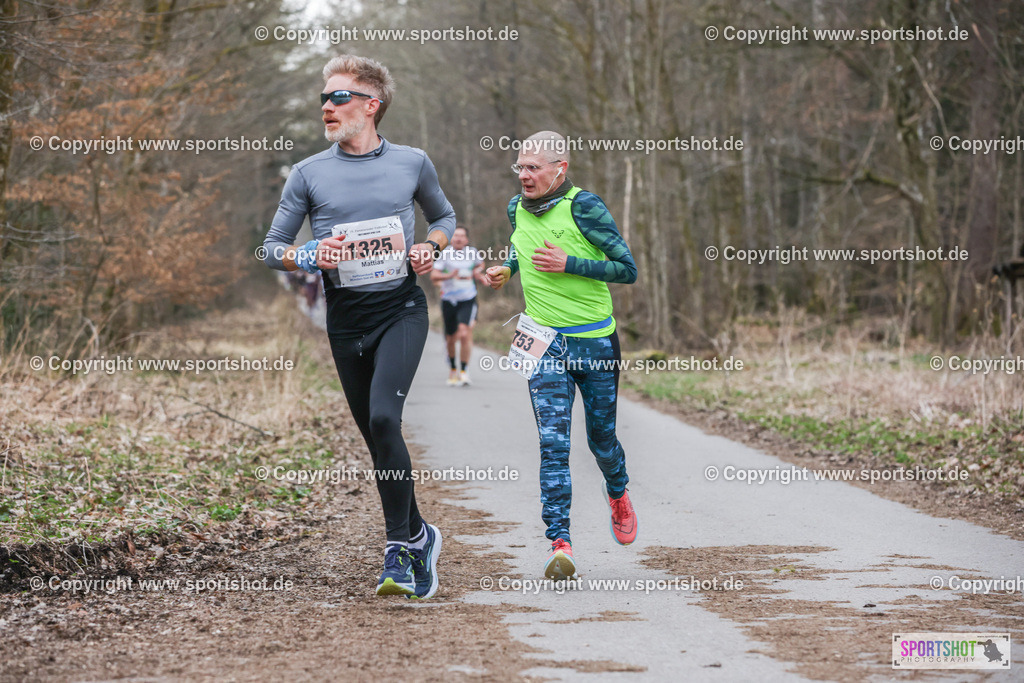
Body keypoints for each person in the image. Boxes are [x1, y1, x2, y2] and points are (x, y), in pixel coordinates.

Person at [262, 55, 454, 599]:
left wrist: (429, 248)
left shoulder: (413, 163)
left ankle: (398, 548)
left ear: (372, 105)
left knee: (384, 417)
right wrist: (310, 254)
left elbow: (444, 219)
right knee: (378, 438)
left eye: (339, 96)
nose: (327, 106)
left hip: (401, 309)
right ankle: (420, 534)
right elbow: (271, 248)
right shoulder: (308, 174)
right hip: (346, 318)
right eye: (323, 98)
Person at [483, 131, 638, 580]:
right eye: (520, 168)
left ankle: (618, 492)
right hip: (544, 342)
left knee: (601, 440)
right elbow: (521, 245)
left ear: (560, 169)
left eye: (533, 168)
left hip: (595, 343)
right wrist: (507, 268)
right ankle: (560, 543)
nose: (525, 176)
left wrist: (571, 263)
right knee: (553, 446)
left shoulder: (585, 207)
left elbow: (626, 269)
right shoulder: (516, 208)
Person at [430, 225, 485, 386]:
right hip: (449, 300)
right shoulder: (444, 253)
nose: (458, 238)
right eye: (455, 236)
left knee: (464, 333)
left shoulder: (472, 252)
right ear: (451, 239)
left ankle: (464, 371)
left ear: (466, 240)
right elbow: (434, 276)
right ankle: (453, 368)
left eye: (462, 236)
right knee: (450, 339)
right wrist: (449, 275)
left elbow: (480, 265)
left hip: (468, 299)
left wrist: (478, 272)